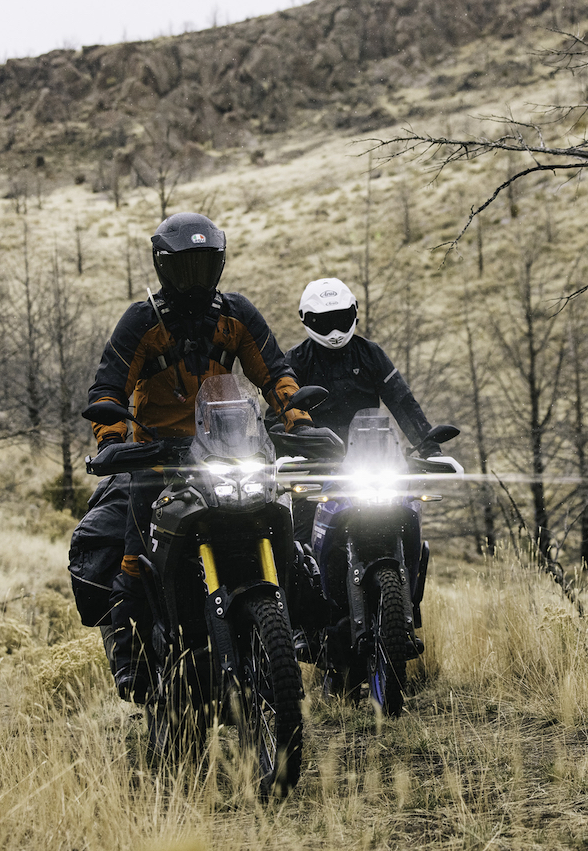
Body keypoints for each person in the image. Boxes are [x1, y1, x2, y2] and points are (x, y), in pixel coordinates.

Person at [77, 212, 317, 703]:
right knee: (131, 557)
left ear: (220, 264)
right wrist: (113, 442)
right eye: (185, 267)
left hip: (231, 451)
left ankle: (298, 634)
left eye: (205, 265)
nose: (195, 277)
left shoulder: (237, 315)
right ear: (164, 266)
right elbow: (108, 387)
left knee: (287, 535)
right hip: (156, 459)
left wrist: (298, 421)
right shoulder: (142, 321)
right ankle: (136, 669)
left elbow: (275, 373)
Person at [284, 277, 439, 542]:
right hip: (318, 464)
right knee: (301, 541)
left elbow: (401, 401)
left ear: (354, 312)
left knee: (406, 520)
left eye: (340, 318)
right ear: (306, 319)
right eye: (325, 320)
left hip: (373, 460)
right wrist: (283, 452)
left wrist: (430, 447)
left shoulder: (370, 354)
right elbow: (280, 410)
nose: (334, 329)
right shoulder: (296, 360)